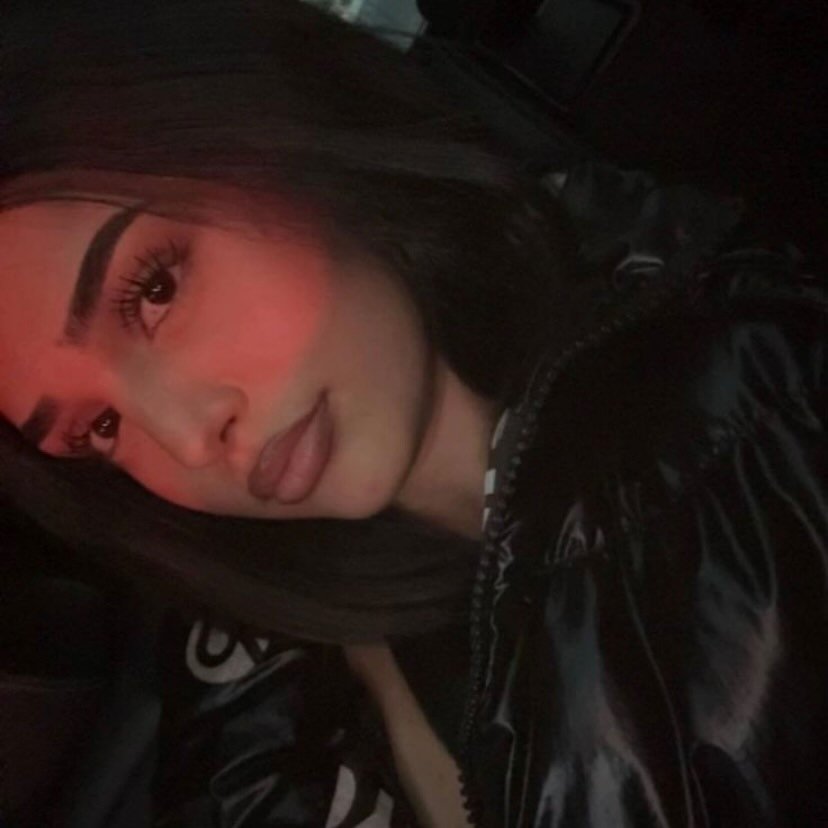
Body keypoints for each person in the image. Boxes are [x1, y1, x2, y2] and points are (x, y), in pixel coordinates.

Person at [0, 1, 825, 826]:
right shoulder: (252, 708)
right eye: (99, 428)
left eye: (155, 289)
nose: (187, 440)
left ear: (284, 136)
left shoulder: (768, 419)